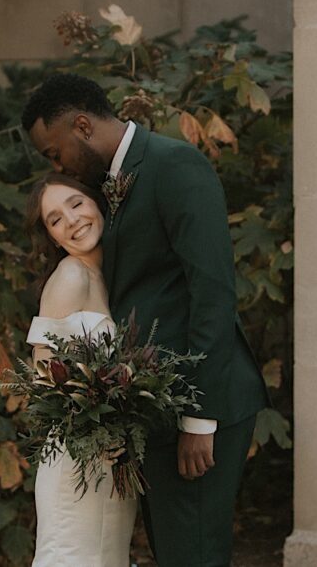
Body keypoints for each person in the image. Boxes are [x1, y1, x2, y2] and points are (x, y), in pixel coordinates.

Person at [22, 73, 269, 567]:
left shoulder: (175, 166)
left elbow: (213, 294)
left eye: (55, 153)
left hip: (198, 407)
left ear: (83, 126)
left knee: (192, 555)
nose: (58, 167)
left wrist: (200, 420)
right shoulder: (108, 184)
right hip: (153, 415)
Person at [23, 172, 136, 566]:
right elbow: (42, 373)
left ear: (97, 203)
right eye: (55, 219)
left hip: (111, 461)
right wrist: (93, 429)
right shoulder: (70, 275)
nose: (71, 221)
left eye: (75, 204)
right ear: (52, 237)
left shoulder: (105, 279)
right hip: (76, 462)